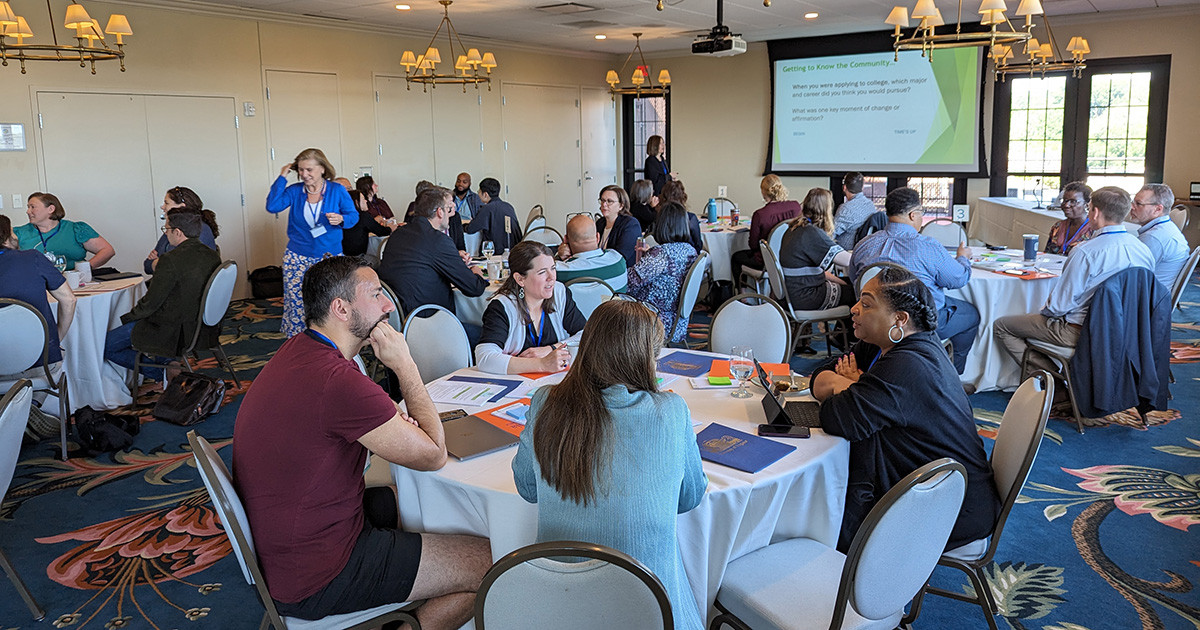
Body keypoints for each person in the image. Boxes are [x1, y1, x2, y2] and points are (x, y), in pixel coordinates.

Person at [232, 256, 491, 629]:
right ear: (341, 308)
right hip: (319, 572)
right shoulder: (337, 381)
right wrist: (405, 366)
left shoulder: (301, 352)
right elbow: (433, 454)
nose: (388, 305)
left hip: (291, 541)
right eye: (377, 294)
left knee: (418, 502)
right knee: (489, 562)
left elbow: (364, 414)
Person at [512, 299, 707, 630]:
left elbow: (527, 489)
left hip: (560, 605)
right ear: (644, 361)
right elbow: (689, 498)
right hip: (650, 609)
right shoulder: (672, 410)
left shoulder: (546, 401)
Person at [811, 266, 1000, 553]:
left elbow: (837, 419)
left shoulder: (909, 364)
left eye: (866, 303)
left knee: (822, 506)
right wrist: (851, 384)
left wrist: (850, 386)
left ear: (899, 318)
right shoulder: (882, 344)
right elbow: (819, 374)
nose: (854, 309)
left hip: (950, 507)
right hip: (926, 485)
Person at [994, 186, 1155, 379]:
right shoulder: (1143, 250)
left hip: (1080, 332)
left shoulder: (1086, 252)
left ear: (1094, 212)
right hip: (1126, 329)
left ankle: (1052, 380)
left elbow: (1058, 308)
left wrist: (1042, 312)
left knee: (1002, 326)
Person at [847, 187, 978, 374]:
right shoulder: (928, 247)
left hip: (874, 319)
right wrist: (963, 258)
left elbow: (856, 281)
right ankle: (953, 375)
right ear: (912, 215)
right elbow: (958, 279)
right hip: (920, 323)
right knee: (971, 315)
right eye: (921, 213)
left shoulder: (864, 244)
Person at [104, 210, 221, 379]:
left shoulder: (170, 259)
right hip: (203, 326)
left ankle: (161, 373)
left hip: (172, 329)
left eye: (166, 229)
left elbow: (151, 303)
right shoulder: (212, 255)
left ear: (178, 232)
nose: (165, 233)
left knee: (107, 345)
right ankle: (167, 367)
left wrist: (128, 317)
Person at [266, 147, 358, 337]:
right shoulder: (295, 191)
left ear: (322, 169)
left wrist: (341, 219)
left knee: (330, 303)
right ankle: (299, 343)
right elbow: (272, 205)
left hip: (329, 256)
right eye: (300, 170)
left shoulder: (337, 190)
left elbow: (353, 216)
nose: (304, 174)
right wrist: (282, 177)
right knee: (298, 304)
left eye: (309, 170)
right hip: (297, 257)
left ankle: (331, 342)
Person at [378, 187, 489, 332]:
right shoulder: (437, 240)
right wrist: (477, 272)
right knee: (490, 336)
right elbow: (474, 288)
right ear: (439, 212)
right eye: (448, 208)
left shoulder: (398, 235)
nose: (451, 213)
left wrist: (452, 258)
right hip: (430, 326)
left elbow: (422, 264)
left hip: (399, 320)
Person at [475, 241, 585, 374]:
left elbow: (586, 334)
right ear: (520, 279)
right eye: (542, 272)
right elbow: (485, 358)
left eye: (553, 268)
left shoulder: (559, 293)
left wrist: (551, 349)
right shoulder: (502, 306)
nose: (551, 278)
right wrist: (541, 364)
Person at [0, 213, 76, 370]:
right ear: (6, 238)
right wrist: (56, 339)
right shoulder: (33, 258)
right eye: (13, 231)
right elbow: (69, 300)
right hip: (41, 360)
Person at [627, 201, 699, 344]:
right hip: (678, 322)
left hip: (652, 321)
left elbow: (628, 282)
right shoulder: (690, 250)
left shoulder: (661, 255)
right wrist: (650, 255)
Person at [779, 188, 855, 310]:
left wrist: (843, 282)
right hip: (805, 296)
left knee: (849, 285)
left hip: (792, 293)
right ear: (826, 210)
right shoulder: (811, 233)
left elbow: (819, 272)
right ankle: (847, 328)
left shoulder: (795, 227)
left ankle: (841, 327)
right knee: (858, 294)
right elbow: (847, 261)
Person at [730, 174, 803, 283]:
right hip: (791, 258)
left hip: (767, 261)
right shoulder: (795, 206)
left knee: (736, 257)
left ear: (763, 192)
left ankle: (743, 293)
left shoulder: (760, 214)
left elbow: (753, 245)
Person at [16, 192, 115, 270]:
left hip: (75, 282)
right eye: (28, 207)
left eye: (32, 207)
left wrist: (83, 270)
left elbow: (107, 250)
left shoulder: (76, 229)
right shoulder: (18, 233)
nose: (28, 211)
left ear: (51, 209)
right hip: (37, 284)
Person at [144, 186, 219, 275]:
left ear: (182, 207)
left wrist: (158, 262)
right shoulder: (171, 228)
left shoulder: (201, 231)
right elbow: (147, 266)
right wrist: (160, 263)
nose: (162, 207)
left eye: (166, 203)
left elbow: (176, 266)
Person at [1131, 183, 1189, 290]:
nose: (1132, 207)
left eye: (1138, 203)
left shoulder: (1154, 238)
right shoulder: (1166, 228)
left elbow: (1129, 275)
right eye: (1133, 202)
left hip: (1147, 301)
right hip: (1157, 294)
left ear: (1158, 209)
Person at [555, 214, 628, 292]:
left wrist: (559, 257)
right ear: (597, 237)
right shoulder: (618, 260)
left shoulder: (558, 270)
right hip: (614, 304)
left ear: (566, 240)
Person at [465, 177, 522, 256]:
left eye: (479, 191)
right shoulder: (508, 206)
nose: (478, 194)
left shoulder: (487, 208)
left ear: (485, 194)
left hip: (495, 252)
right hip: (514, 249)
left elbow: (471, 229)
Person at [337, 178, 391, 258]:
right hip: (355, 258)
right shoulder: (362, 215)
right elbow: (381, 231)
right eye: (348, 188)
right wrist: (391, 228)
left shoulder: (343, 213)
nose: (366, 201)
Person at [593, 185, 640, 267]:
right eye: (602, 200)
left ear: (621, 206)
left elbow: (620, 257)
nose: (604, 204)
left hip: (622, 272)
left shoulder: (630, 224)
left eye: (609, 201)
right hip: (600, 267)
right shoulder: (600, 223)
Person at [1045, 181, 1095, 256]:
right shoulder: (1057, 227)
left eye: (1073, 201)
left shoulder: (1093, 230)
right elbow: (1046, 254)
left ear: (1086, 204)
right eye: (1064, 200)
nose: (1066, 205)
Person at [831, 172, 876, 250]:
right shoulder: (870, 205)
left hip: (845, 253)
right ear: (862, 188)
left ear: (844, 187)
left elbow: (831, 233)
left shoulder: (846, 208)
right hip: (863, 250)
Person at [657, 180, 703, 252]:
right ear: (682, 197)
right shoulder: (690, 218)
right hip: (689, 257)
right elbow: (698, 245)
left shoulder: (660, 217)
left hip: (665, 255)